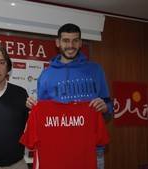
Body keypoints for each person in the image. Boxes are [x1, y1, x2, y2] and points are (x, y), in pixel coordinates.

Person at [26, 23, 113, 169]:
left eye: (75, 40)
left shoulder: (95, 70)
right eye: (66, 40)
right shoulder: (46, 75)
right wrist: (33, 107)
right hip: (58, 151)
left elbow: (109, 106)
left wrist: (105, 107)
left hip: (91, 150)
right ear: (58, 42)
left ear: (80, 43)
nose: (70, 45)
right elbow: (43, 116)